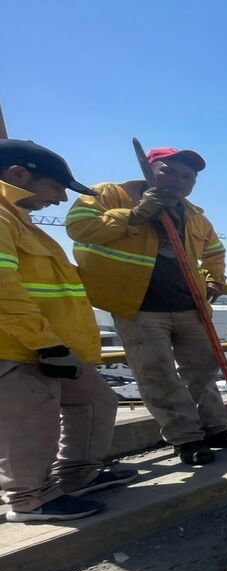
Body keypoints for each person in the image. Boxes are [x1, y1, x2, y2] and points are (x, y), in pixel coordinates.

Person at [66, 147, 227, 466]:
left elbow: (215, 251)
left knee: (204, 368)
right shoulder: (112, 194)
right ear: (149, 170)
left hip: (190, 303)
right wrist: (135, 215)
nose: (178, 180)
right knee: (158, 373)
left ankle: (215, 428)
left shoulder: (194, 215)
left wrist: (215, 281)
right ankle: (186, 438)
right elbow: (79, 227)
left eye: (186, 176)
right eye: (169, 171)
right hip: (138, 305)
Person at [1, 140, 136, 522]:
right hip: (18, 344)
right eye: (56, 187)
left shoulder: (17, 220)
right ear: (18, 175)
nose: (61, 199)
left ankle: (79, 474)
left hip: (49, 344)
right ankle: (30, 499)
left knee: (95, 401)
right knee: (29, 418)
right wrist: (45, 344)